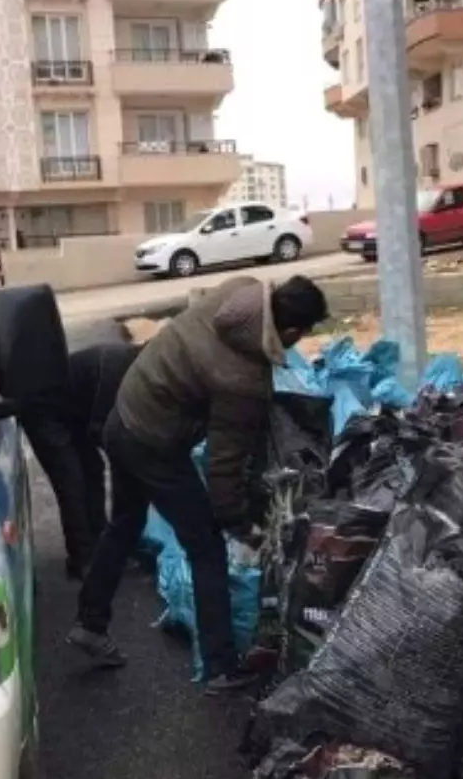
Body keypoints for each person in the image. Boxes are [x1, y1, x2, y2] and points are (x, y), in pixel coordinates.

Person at [69, 275, 329, 694]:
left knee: (124, 522)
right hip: (154, 443)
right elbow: (225, 468)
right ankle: (221, 667)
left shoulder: (238, 292)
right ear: (293, 331)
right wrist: (241, 523)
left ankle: (89, 623)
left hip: (124, 413)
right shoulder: (242, 378)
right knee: (206, 546)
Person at [19, 340, 140, 578]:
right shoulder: (115, 368)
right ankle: (82, 559)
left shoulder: (131, 366)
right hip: (44, 411)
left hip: (75, 412)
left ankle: (103, 548)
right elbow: (102, 431)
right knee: (71, 481)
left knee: (93, 470)